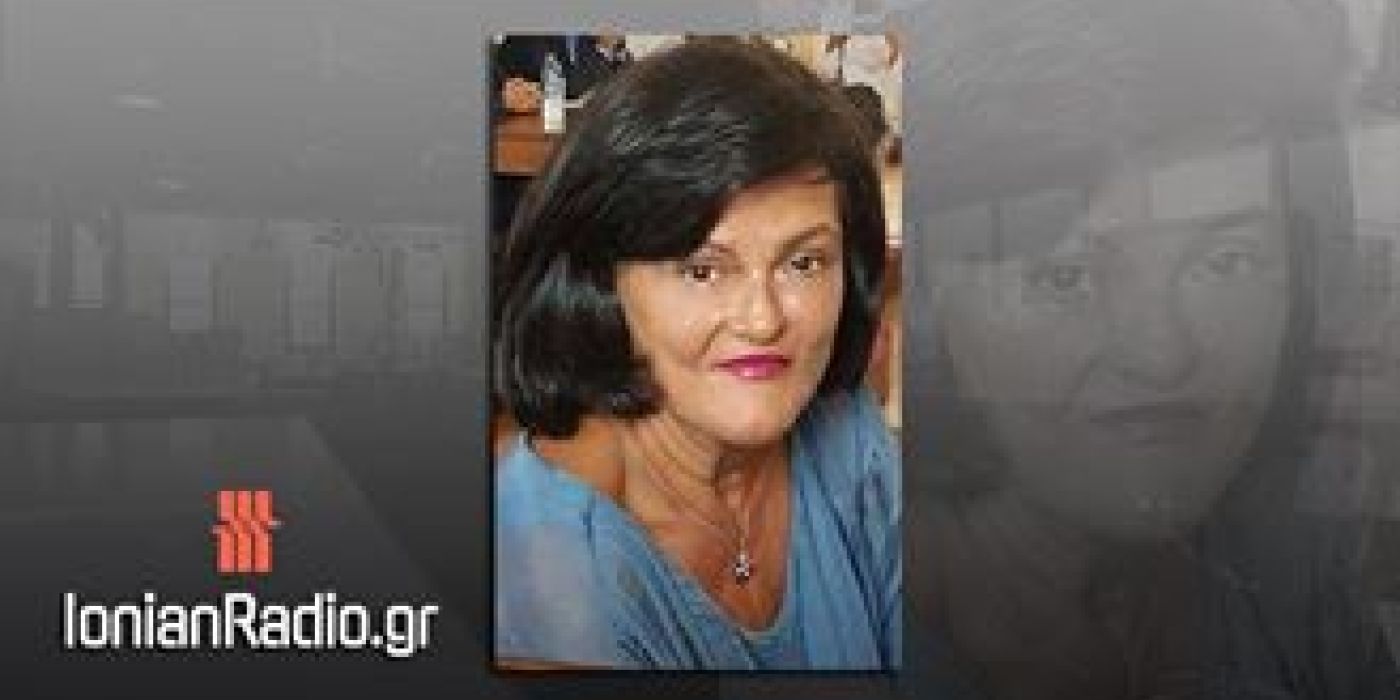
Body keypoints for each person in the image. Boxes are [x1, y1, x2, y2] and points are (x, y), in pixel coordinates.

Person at [904, 1, 1399, 697]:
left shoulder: (1297, 581)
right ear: (927, 305)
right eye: (1064, 276)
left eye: (1225, 261)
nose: (1161, 357)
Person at [492, 38, 899, 670]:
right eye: (702, 270)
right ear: (602, 282)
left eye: (804, 262)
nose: (763, 320)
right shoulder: (547, 578)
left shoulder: (849, 432)